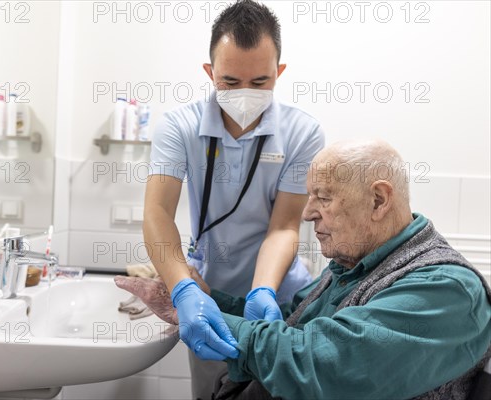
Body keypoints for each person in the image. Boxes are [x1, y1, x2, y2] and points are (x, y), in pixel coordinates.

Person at [120, 140, 491, 399]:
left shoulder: (446, 290)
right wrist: (206, 300)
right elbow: (291, 321)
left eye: (324, 197)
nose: (308, 212)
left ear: (378, 200)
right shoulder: (352, 264)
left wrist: (209, 320)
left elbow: (325, 362)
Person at [143, 1, 325, 396]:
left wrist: (263, 291)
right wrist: (183, 289)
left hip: (282, 298)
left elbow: (284, 226)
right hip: (208, 300)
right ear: (209, 72)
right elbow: (157, 212)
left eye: (260, 82)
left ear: (279, 73)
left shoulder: (302, 132)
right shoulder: (180, 126)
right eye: (229, 81)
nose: (245, 93)